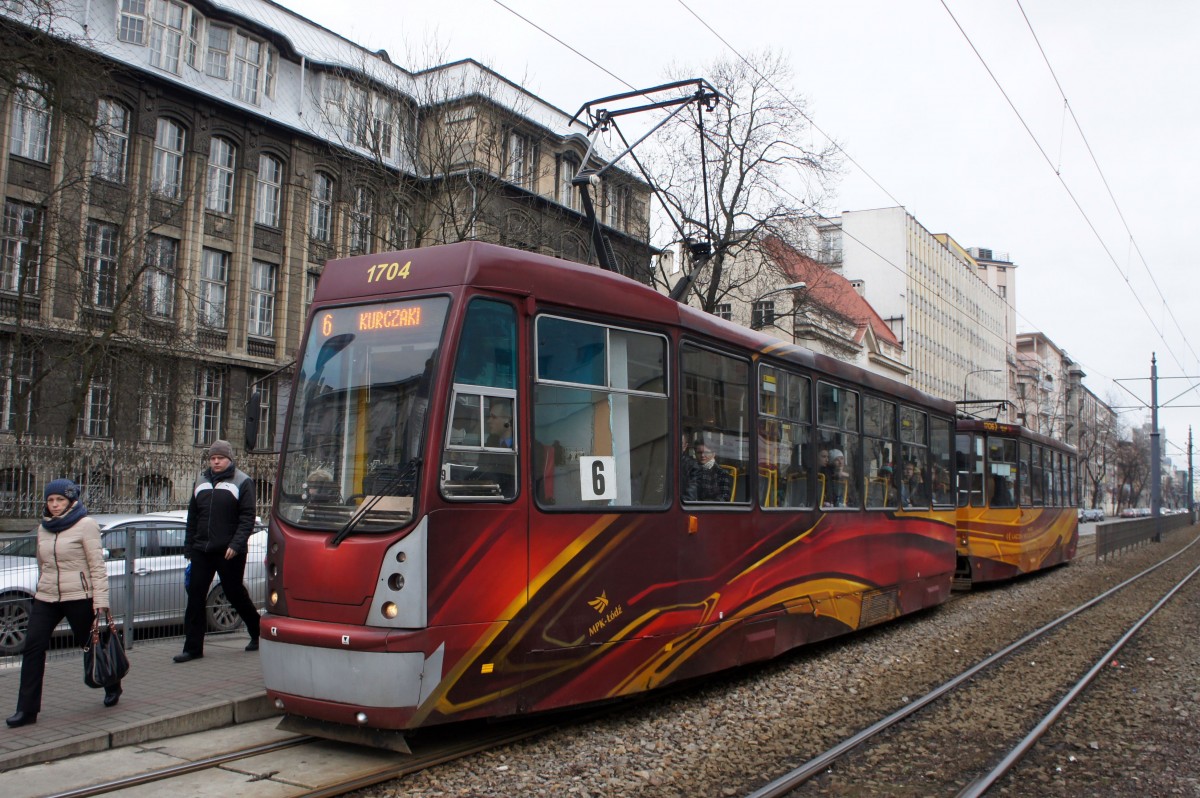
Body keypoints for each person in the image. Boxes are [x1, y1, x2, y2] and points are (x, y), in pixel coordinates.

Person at [7, 479, 121, 728]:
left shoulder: (86, 525)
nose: (55, 505)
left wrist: (100, 600)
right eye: (51, 500)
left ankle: (112, 683)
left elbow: (97, 567)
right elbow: (42, 563)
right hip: (47, 598)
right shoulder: (43, 528)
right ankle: (26, 710)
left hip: (79, 597)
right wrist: (40, 589)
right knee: (32, 648)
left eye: (60, 500)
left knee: (90, 645)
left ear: (71, 501)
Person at [175, 440, 261, 663]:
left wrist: (236, 544)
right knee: (195, 596)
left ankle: (258, 632)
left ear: (229, 459)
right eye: (212, 458)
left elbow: (247, 518)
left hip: (229, 551)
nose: (215, 462)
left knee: (234, 594)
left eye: (220, 458)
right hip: (202, 549)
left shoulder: (243, 481)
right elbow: (193, 517)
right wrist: (189, 547)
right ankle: (192, 648)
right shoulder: (201, 481)